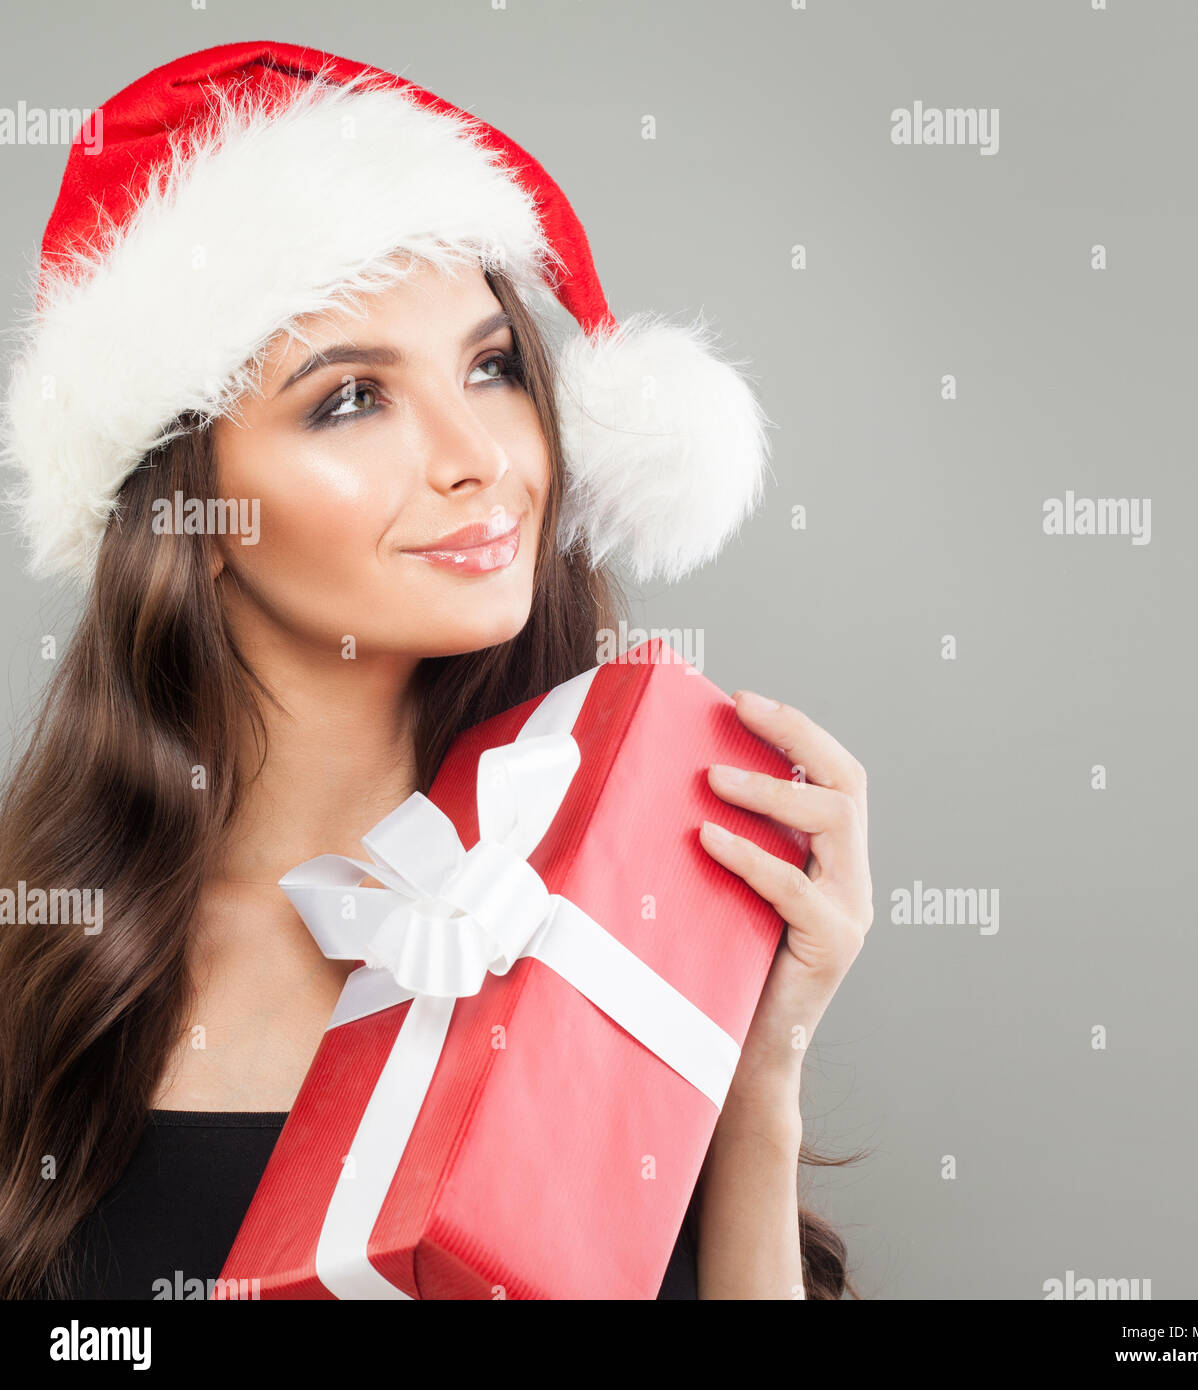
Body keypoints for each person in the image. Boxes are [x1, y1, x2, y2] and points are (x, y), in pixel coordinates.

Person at [0, 41, 874, 1301]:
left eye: (494, 367)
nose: (479, 456)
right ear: (186, 521)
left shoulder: (627, 907)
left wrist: (760, 1064)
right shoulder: (55, 968)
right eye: (351, 398)